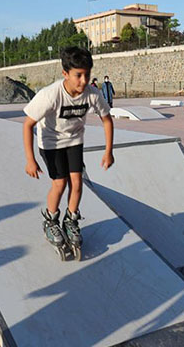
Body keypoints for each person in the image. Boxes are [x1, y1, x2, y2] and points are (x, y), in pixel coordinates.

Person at [22, 46, 115, 255]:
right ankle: (51, 219)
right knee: (60, 183)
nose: (83, 81)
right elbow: (28, 125)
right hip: (51, 144)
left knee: (78, 183)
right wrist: (30, 160)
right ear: (65, 74)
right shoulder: (50, 95)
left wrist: (108, 151)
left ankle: (71, 219)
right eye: (78, 76)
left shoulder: (92, 93)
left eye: (87, 75)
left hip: (74, 141)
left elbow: (107, 119)